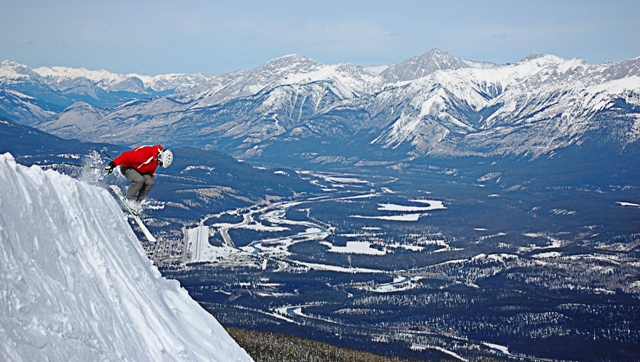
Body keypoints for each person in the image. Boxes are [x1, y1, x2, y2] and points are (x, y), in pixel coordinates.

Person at [105, 144, 173, 212]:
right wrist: (112, 165)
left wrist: (149, 178)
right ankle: (129, 199)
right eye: (159, 162)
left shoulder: (155, 159)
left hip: (139, 170)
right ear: (160, 156)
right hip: (127, 167)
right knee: (139, 180)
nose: (158, 164)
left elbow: (151, 169)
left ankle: (137, 202)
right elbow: (125, 155)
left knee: (150, 183)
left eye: (160, 164)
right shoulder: (145, 155)